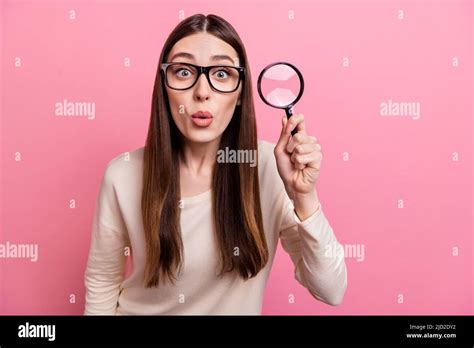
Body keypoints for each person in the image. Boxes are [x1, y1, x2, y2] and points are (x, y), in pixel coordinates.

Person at [84, 13, 347, 315]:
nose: (202, 92)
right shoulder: (123, 174)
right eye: (183, 72)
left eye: (222, 74)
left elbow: (331, 290)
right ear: (164, 86)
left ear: (239, 94)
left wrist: (304, 196)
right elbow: (102, 281)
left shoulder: (271, 168)